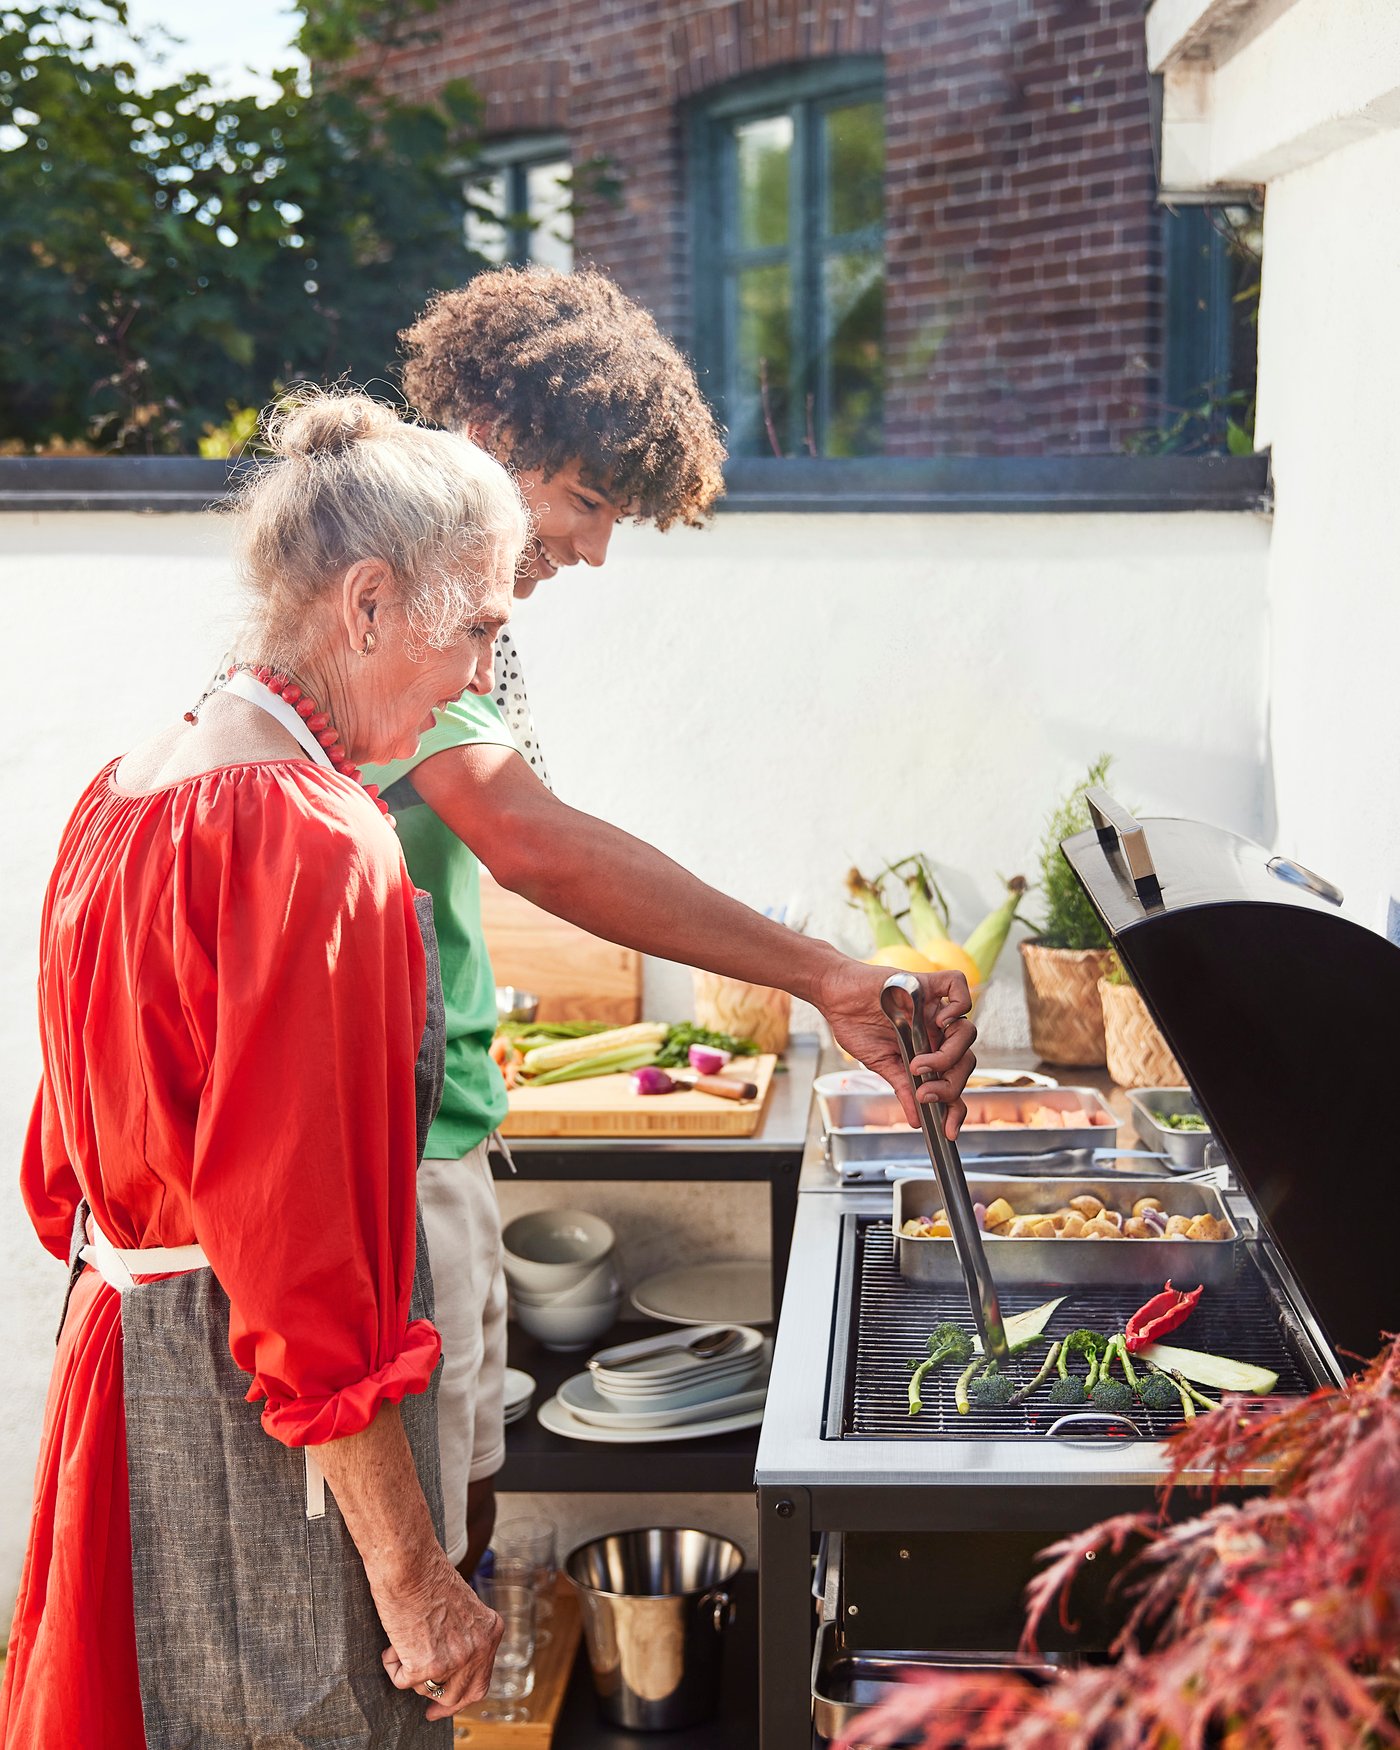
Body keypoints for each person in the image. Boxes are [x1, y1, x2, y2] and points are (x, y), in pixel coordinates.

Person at [363, 266, 978, 1580]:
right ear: (492, 436)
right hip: (378, 1159)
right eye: (586, 503)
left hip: (438, 1125)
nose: (594, 548)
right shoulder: (394, 590)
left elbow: (522, 833)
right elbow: (534, 844)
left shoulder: (465, 603)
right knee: (422, 1562)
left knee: (461, 1520)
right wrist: (822, 971)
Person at [0, 389, 530, 1750]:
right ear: (365, 606)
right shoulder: (311, 839)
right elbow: (298, 1264)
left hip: (122, 1368)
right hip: (257, 1418)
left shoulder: (119, 793)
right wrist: (416, 1580)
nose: (478, 674)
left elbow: (64, 1177)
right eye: (475, 627)